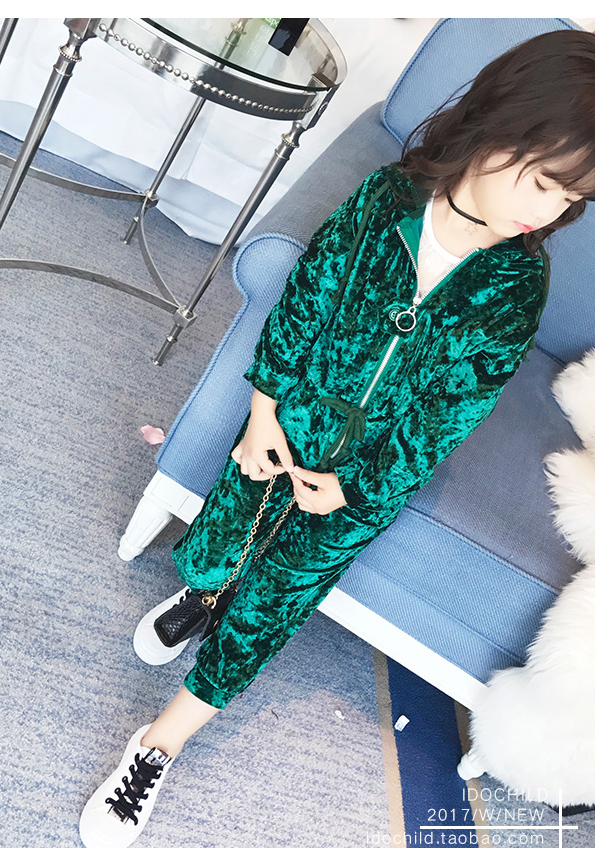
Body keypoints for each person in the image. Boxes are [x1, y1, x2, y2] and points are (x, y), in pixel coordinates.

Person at [79, 28, 595, 848]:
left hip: (364, 482)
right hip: (291, 417)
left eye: (571, 200)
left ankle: (159, 743)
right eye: (543, 181)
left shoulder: (516, 286)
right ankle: (203, 595)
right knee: (224, 532)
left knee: (275, 602)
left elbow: (446, 416)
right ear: (498, 127)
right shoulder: (389, 199)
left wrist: (356, 488)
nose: (549, 211)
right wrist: (264, 410)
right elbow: (308, 296)